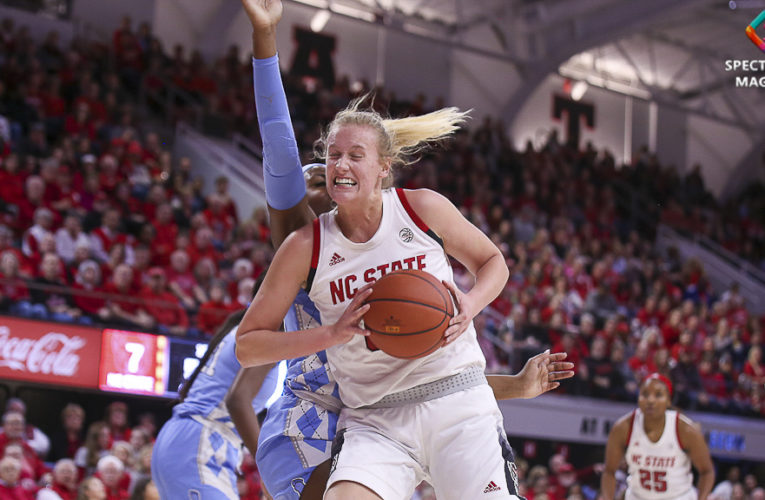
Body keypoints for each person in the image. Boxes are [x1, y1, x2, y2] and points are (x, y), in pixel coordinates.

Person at [238, 1, 574, 499]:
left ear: (382, 170)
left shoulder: (418, 212)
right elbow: (279, 147)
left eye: (354, 157)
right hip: (320, 421)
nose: (327, 174)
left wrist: (498, 356)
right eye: (326, 163)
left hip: (418, 404)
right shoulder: (301, 240)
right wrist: (265, 40)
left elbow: (423, 352)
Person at [151, 276, 280, 500]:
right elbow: (238, 401)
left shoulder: (243, 327)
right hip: (200, 444)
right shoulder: (268, 331)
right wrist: (269, 470)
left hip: (185, 440)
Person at [601, 373, 715, 500]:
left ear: (668, 400)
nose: (650, 400)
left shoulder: (685, 430)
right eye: (645, 394)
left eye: (658, 395)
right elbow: (609, 471)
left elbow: (707, 471)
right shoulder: (623, 428)